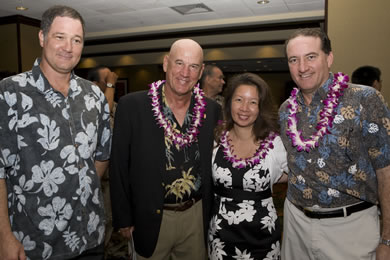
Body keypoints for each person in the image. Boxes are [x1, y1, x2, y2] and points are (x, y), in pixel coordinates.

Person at [0, 5, 111, 260]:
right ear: (42, 37)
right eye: (60, 37)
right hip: (35, 244)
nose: (68, 47)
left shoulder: (94, 95)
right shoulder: (10, 92)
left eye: (76, 40)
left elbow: (102, 156)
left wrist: (78, 184)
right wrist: (4, 236)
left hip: (90, 236)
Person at [279, 28, 390, 260]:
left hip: (350, 228)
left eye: (311, 57)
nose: (302, 67)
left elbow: (386, 171)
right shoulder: (285, 110)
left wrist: (387, 238)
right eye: (294, 60)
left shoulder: (365, 99)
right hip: (295, 224)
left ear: (328, 58)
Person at [109, 39, 221, 260]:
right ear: (166, 64)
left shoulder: (213, 110)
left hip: (195, 215)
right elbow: (119, 165)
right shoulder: (132, 106)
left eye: (193, 66)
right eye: (179, 63)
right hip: (148, 216)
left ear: (200, 73)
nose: (185, 73)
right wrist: (123, 218)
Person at [208, 73, 288, 260]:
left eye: (253, 102)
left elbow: (295, 175)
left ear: (261, 107)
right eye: (239, 100)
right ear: (229, 103)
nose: (245, 108)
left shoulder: (274, 143)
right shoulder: (216, 140)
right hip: (221, 237)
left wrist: (272, 177)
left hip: (263, 237)